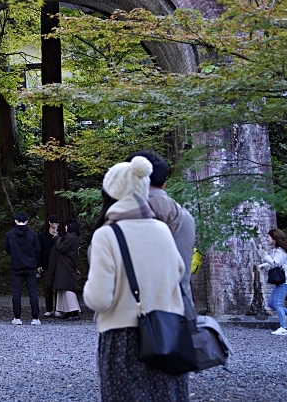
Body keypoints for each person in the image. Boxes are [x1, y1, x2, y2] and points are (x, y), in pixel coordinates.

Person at [84, 156, 188, 402]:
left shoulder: (106, 235)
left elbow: (98, 299)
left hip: (122, 339)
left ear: (110, 191)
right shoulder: (162, 229)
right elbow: (179, 273)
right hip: (168, 332)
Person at [127, 151, 197, 300]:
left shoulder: (124, 215)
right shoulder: (185, 217)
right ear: (164, 184)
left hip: (130, 315)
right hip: (179, 313)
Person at [258, 228, 287, 336]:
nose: (267, 239)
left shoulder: (282, 252)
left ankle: (284, 328)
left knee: (277, 304)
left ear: (275, 238)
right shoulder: (276, 251)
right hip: (280, 283)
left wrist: (265, 256)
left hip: (284, 283)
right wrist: (263, 265)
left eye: (269, 237)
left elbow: (276, 263)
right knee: (271, 304)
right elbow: (273, 263)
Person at [4, 211, 41, 326]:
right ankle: (35, 318)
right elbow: (37, 249)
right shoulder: (32, 234)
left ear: (15, 220)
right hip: (30, 266)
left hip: (16, 266)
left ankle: (17, 317)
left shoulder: (10, 234)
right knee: (33, 292)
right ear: (27, 221)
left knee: (17, 293)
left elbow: (7, 249)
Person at [50, 220, 81, 319]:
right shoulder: (72, 237)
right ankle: (68, 311)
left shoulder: (71, 237)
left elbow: (61, 247)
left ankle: (74, 311)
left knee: (67, 288)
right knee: (63, 287)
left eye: (66, 226)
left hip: (66, 265)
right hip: (65, 264)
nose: (65, 227)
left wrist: (57, 238)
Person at [37, 215, 60, 317]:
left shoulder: (61, 235)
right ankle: (49, 308)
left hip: (58, 264)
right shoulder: (42, 236)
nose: (57, 225)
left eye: (58, 223)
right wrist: (38, 264)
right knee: (47, 287)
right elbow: (38, 251)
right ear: (50, 223)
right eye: (55, 223)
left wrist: (57, 237)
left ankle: (58, 309)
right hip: (46, 264)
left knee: (59, 287)